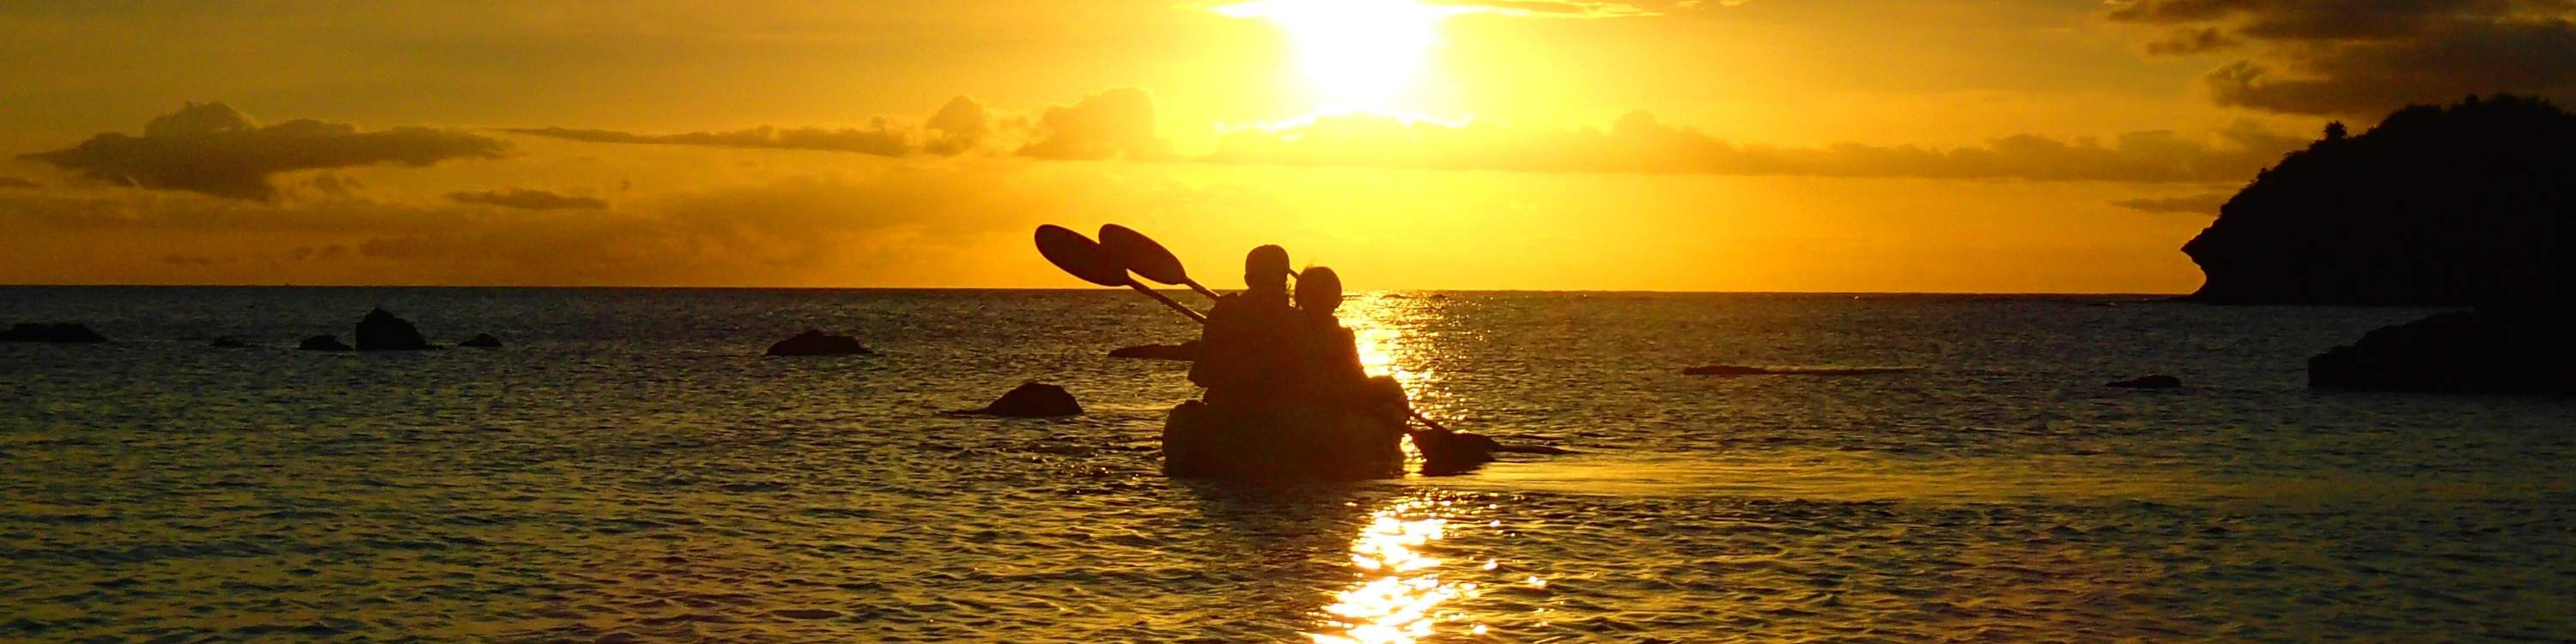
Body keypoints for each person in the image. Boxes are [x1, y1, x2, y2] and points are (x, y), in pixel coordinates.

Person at [1188, 245, 1301, 409]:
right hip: (1281, 417)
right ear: (1285, 279)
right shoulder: (1298, 321)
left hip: (1228, 413)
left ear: (1248, 279)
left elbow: (1201, 375)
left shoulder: (1225, 313)